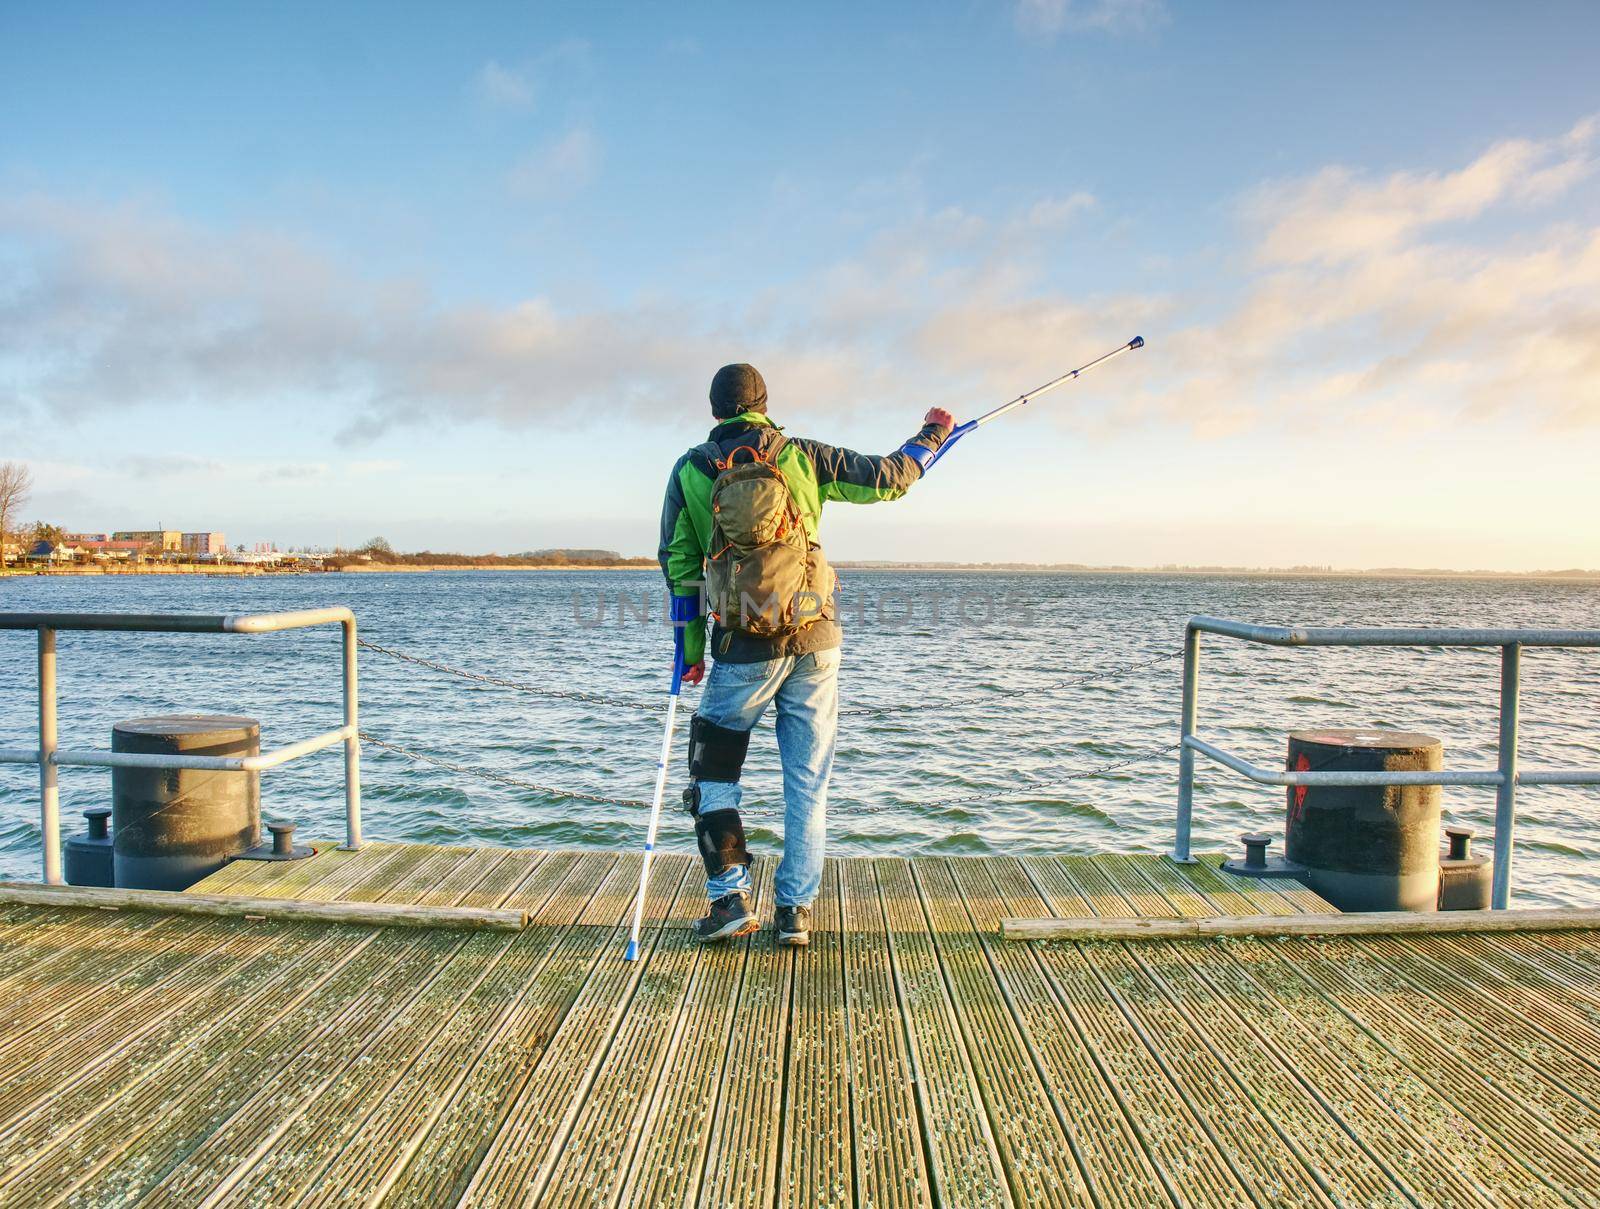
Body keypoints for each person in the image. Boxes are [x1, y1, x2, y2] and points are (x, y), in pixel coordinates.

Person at [659, 361, 953, 946]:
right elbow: (892, 478)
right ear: (764, 406)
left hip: (741, 646)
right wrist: (933, 434)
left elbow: (680, 569)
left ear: (716, 411)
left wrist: (689, 653)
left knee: (713, 770)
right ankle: (794, 912)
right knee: (807, 781)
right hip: (817, 639)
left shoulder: (690, 468)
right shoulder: (803, 456)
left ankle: (730, 899)